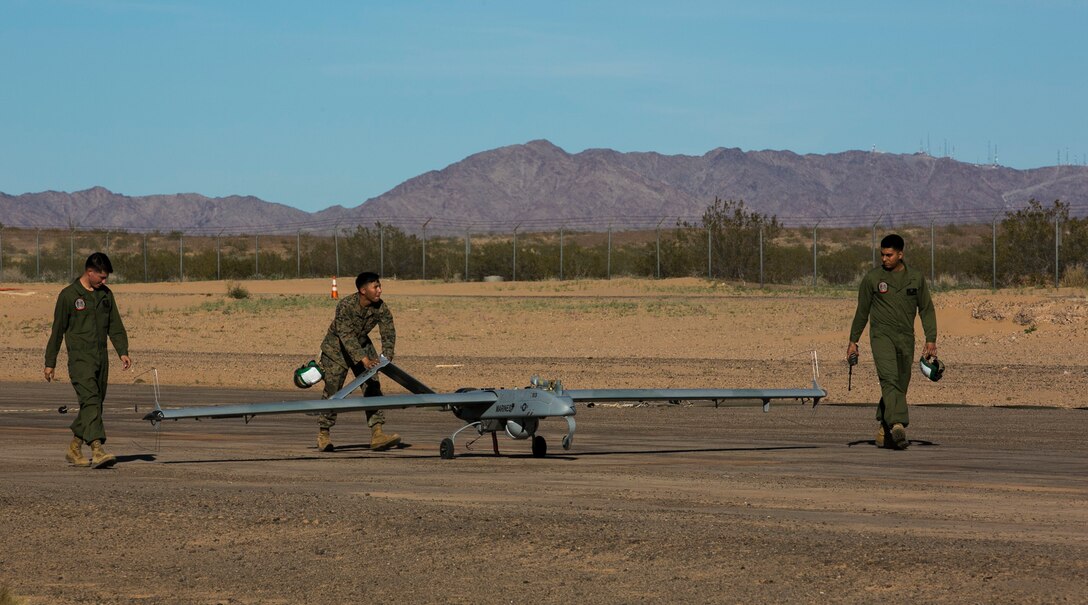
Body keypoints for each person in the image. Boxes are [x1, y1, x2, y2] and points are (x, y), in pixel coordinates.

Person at [847, 234, 936, 450]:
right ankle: (898, 425)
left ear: (900, 254)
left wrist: (931, 339)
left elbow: (926, 309)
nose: (885, 259)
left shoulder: (916, 278)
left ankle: (883, 428)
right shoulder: (872, 279)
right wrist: (853, 341)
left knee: (900, 384)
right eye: (882, 255)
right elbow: (862, 311)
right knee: (889, 379)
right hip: (881, 336)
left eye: (889, 255)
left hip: (905, 337)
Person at [45, 252, 132, 468]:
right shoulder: (68, 295)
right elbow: (57, 331)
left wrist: (123, 351)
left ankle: (74, 449)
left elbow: (115, 325)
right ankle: (97, 449)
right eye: (101, 277)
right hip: (80, 359)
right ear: (89, 272)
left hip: (101, 358)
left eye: (106, 278)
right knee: (91, 400)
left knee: (94, 405)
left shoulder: (105, 295)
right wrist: (50, 362)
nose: (104, 281)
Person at [315, 271, 401, 452]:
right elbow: (346, 337)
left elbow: (388, 331)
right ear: (363, 290)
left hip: (362, 344)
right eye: (375, 287)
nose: (379, 290)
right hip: (336, 349)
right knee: (333, 390)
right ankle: (324, 434)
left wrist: (387, 357)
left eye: (379, 286)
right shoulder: (346, 305)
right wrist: (364, 360)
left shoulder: (381, 307)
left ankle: (378, 433)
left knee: (372, 385)